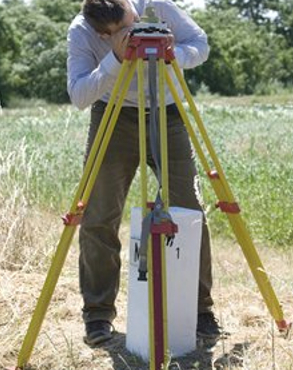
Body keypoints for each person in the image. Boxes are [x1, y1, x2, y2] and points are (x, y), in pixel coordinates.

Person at [67, 0, 221, 345]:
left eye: (131, 23)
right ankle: (97, 315)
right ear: (100, 31)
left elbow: (200, 44)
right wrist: (115, 59)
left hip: (168, 111)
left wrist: (168, 54)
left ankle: (200, 311)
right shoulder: (80, 30)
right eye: (116, 33)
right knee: (99, 216)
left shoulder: (158, 6)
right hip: (113, 115)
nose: (130, 33)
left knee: (189, 211)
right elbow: (78, 95)